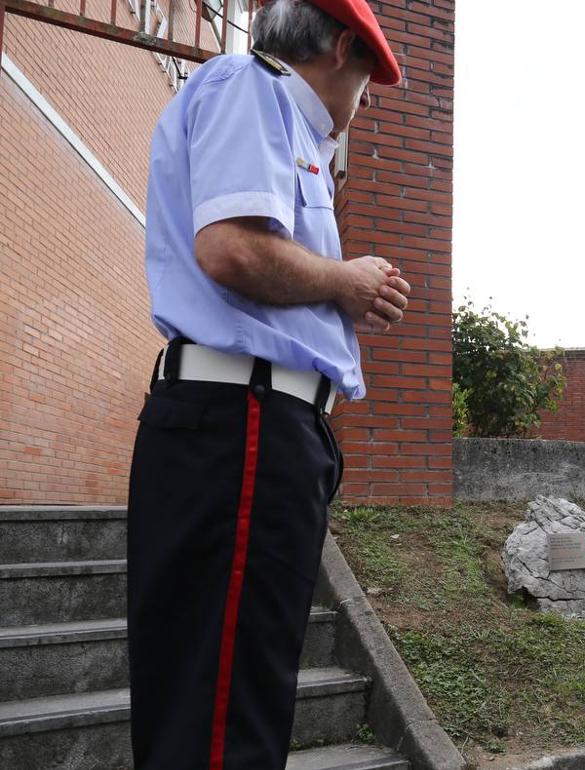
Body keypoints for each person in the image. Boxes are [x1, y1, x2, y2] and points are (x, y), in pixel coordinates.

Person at [126, 2, 408, 768]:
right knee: (225, 710)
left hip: (253, 425)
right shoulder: (252, 88)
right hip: (244, 422)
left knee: (227, 690)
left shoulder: (270, 114)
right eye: (367, 83)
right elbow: (233, 251)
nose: (358, 105)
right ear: (344, 47)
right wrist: (346, 282)